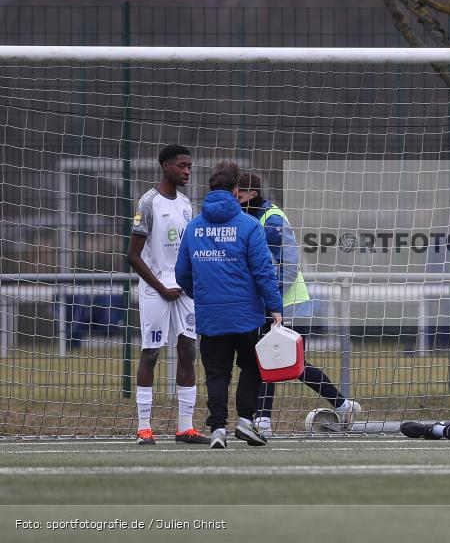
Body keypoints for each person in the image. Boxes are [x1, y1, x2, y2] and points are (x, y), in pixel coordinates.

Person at [236, 173, 361, 436]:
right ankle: (341, 404)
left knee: (278, 361)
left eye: (239, 196)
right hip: (273, 305)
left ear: (252, 194)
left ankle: (264, 421)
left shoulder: (273, 219)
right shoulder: (254, 219)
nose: (236, 201)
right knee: (281, 362)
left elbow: (290, 267)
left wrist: (271, 298)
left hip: (288, 304)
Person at [175, 162, 283, 449]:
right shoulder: (249, 226)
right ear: (236, 190)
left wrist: (202, 295)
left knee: (216, 373)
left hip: (211, 314)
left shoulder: (194, 227)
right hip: (247, 314)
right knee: (252, 365)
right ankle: (246, 421)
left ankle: (218, 428)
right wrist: (275, 308)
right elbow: (263, 271)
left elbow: (182, 273)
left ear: (210, 189)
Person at [126, 144, 208, 446]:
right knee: (151, 353)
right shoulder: (148, 202)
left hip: (184, 290)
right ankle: (144, 428)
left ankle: (185, 427)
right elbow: (133, 255)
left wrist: (189, 282)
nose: (187, 171)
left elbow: (189, 250)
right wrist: (161, 287)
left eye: (189, 166)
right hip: (155, 290)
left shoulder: (186, 204)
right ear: (165, 166)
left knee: (188, 351)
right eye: (182, 166)